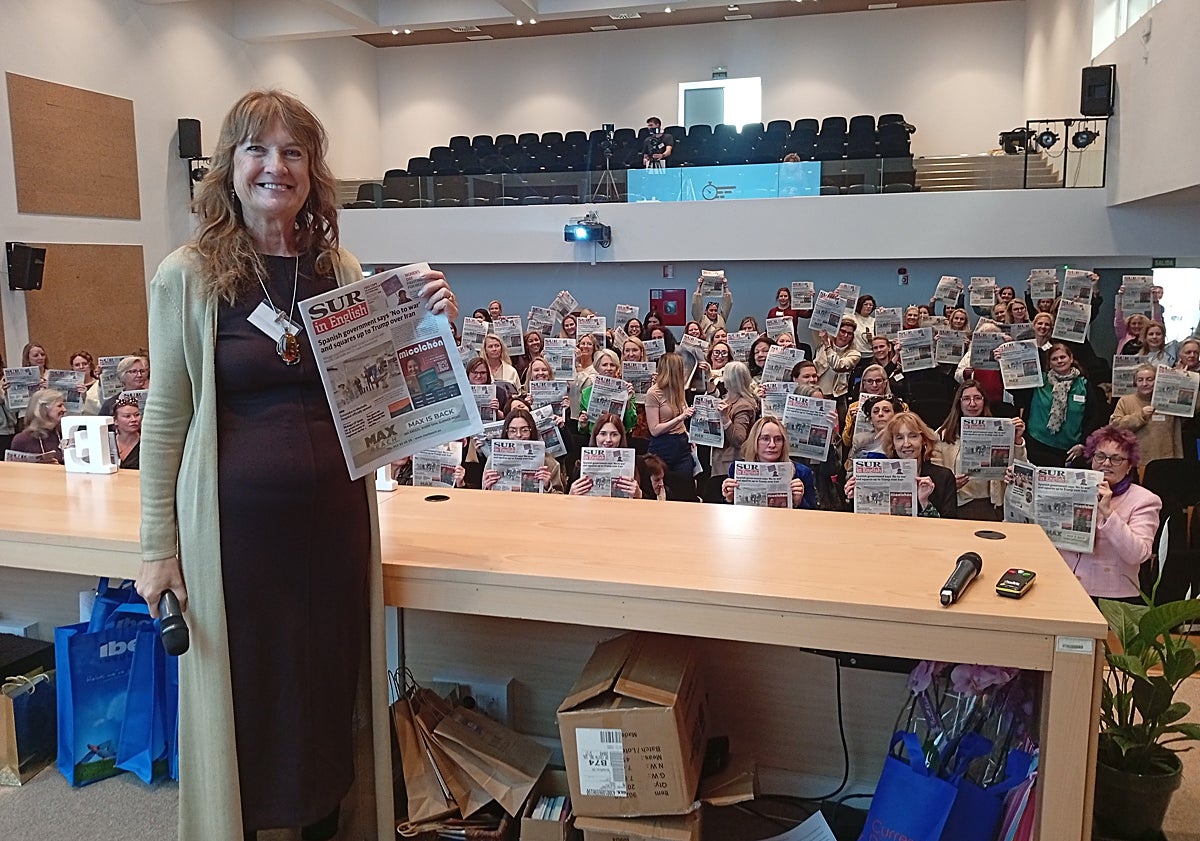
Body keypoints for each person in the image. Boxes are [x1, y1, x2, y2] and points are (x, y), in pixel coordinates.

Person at [134, 90, 459, 841]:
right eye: (257, 149)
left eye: (293, 152)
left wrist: (432, 323)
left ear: (312, 172)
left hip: (334, 531)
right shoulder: (188, 276)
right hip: (237, 540)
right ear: (229, 165)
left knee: (326, 685)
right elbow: (165, 416)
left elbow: (382, 395)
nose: (274, 166)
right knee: (251, 696)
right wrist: (156, 546)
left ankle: (322, 824)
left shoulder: (337, 268)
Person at [1051, 426, 1161, 600]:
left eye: (1116, 459)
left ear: (1129, 466)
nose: (1106, 463)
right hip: (1063, 585)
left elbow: (1138, 554)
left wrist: (1108, 513)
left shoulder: (1145, 500)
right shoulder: (1073, 488)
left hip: (1111, 597)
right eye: (1100, 456)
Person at [933, 380, 1026, 521]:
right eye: (966, 399)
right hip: (958, 503)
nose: (972, 404)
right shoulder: (942, 434)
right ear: (958, 403)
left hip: (993, 504)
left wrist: (1017, 440)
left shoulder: (1001, 429)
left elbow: (1022, 469)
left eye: (977, 398)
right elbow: (935, 474)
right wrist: (950, 484)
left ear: (984, 402)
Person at [1010, 342, 1107, 467]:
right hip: (1036, 445)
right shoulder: (1039, 381)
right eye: (1054, 359)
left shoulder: (1084, 385)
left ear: (1070, 358)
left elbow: (1093, 417)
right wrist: (1004, 360)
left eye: (1062, 357)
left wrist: (1083, 444)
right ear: (1049, 363)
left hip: (1067, 451)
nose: (1059, 361)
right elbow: (1014, 388)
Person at [846, 411, 958, 517]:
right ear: (893, 444)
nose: (906, 444)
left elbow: (949, 524)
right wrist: (854, 497)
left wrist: (925, 502)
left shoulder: (944, 477)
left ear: (923, 439)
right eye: (899, 438)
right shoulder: (877, 476)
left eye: (913, 436)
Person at [720, 416, 817, 509]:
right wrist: (729, 498)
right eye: (765, 438)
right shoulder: (736, 469)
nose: (772, 445)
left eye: (778, 439)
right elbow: (729, 513)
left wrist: (798, 501)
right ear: (755, 441)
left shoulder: (802, 473)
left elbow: (813, 513)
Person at [1109, 364, 1182, 464]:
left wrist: (1182, 378)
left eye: (1149, 379)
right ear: (1135, 382)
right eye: (1140, 380)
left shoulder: (1169, 401)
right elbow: (1115, 427)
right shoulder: (1126, 401)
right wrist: (1140, 416)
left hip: (1167, 459)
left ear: (1157, 381)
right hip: (1136, 461)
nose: (1144, 384)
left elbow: (1195, 408)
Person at [481, 408, 565, 493]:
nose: (518, 435)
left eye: (524, 430)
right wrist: (487, 487)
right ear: (506, 432)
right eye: (512, 430)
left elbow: (560, 496)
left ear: (531, 431)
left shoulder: (549, 462)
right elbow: (483, 496)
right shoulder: (492, 460)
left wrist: (547, 487)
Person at [567, 413, 643, 498]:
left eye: (614, 434)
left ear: (621, 437)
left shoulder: (638, 463)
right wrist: (571, 494)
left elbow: (651, 499)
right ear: (595, 436)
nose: (608, 439)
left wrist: (639, 494)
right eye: (603, 434)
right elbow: (565, 501)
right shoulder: (579, 466)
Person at [644, 353, 695, 474]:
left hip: (682, 443)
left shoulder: (678, 389)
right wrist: (680, 418)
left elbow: (681, 412)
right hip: (663, 445)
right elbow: (654, 430)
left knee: (686, 480)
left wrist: (687, 434)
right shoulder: (653, 393)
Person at [710, 361, 759, 479]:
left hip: (731, 462)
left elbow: (739, 440)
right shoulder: (727, 400)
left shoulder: (743, 406)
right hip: (720, 458)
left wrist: (725, 418)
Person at [578, 348, 637, 435]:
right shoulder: (586, 392)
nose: (609, 368)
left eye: (612, 365)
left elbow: (631, 424)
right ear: (597, 367)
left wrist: (627, 402)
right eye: (604, 365)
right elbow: (582, 429)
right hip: (595, 437)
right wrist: (583, 424)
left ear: (616, 368)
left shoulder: (627, 390)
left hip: (618, 437)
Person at [813, 318, 861, 415]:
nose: (845, 336)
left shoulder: (855, 354)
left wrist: (827, 346)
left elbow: (837, 366)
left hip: (837, 398)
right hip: (816, 393)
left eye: (849, 333)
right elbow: (816, 323)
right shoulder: (822, 343)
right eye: (842, 331)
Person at [9, 388, 66, 464]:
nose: (64, 409)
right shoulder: (22, 440)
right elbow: (14, 469)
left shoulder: (65, 435)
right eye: (59, 406)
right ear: (43, 409)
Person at [847, 395, 903, 466]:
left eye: (886, 410)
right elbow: (850, 470)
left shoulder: (903, 439)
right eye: (876, 411)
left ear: (896, 416)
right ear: (870, 419)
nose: (880, 414)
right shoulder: (859, 440)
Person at [691, 275, 733, 340]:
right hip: (705, 344)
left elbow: (728, 303)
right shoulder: (701, 319)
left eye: (715, 310)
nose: (713, 313)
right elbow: (696, 304)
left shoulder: (721, 318)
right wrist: (699, 285)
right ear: (706, 311)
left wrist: (725, 286)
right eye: (711, 310)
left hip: (719, 344)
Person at [111, 392, 143, 469]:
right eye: (127, 416)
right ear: (115, 420)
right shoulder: (108, 443)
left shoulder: (146, 443)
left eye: (137, 415)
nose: (134, 419)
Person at [70, 350, 103, 415]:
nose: (81, 367)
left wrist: (85, 397)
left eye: (84, 364)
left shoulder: (99, 385)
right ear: (72, 368)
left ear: (90, 365)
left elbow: (104, 408)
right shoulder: (69, 387)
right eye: (77, 365)